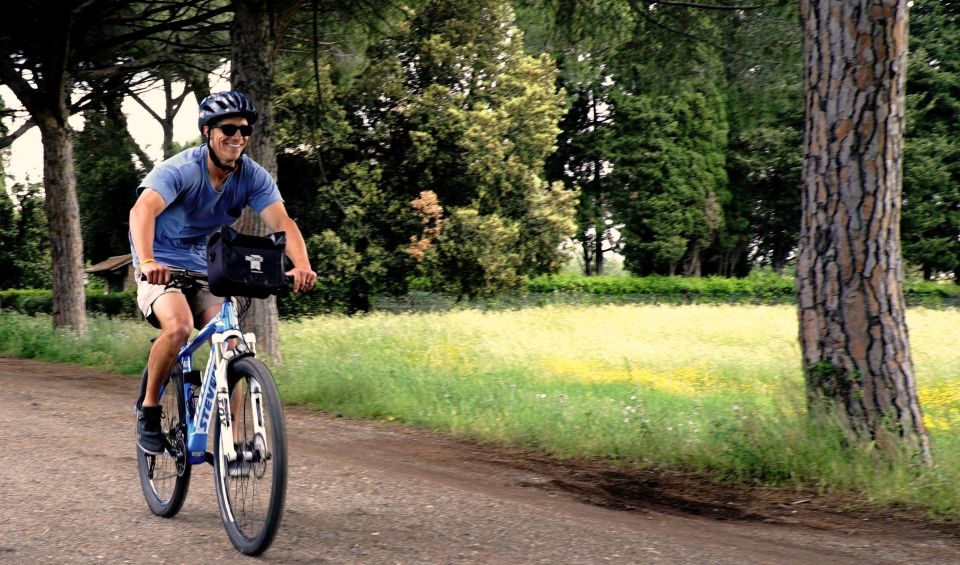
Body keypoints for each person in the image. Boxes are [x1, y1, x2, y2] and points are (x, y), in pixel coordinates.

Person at [129, 90, 316, 456]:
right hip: (160, 262)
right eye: (228, 128)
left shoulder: (252, 177)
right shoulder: (181, 170)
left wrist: (302, 265)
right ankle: (148, 409)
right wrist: (149, 262)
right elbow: (141, 212)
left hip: (203, 265)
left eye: (245, 131)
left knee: (232, 343)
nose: (238, 137)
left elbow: (282, 222)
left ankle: (231, 443)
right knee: (179, 326)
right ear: (207, 132)